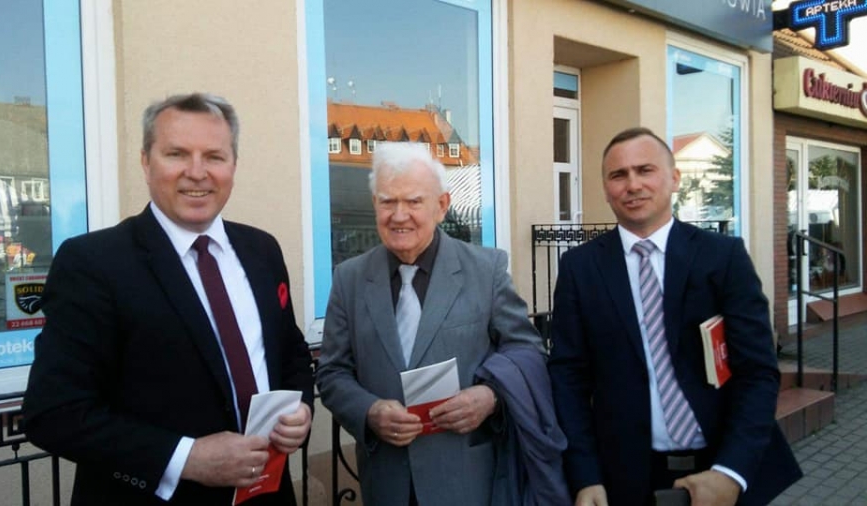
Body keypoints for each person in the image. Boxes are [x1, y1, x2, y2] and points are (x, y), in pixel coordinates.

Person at [24, 93, 314, 506]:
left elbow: (291, 354)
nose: (197, 172)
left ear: (233, 165)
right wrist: (185, 459)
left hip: (266, 494)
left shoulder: (262, 250)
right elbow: (53, 412)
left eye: (214, 156)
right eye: (177, 154)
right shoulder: (93, 262)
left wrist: (301, 410)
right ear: (146, 162)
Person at [548, 127, 802, 506]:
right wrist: (585, 475)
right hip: (624, 478)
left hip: (719, 470)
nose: (632, 185)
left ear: (674, 178)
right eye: (618, 175)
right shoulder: (580, 268)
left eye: (645, 170)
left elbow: (758, 372)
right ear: (605, 189)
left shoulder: (723, 257)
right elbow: (568, 378)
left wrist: (731, 472)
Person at [316, 142, 549, 506]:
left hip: (467, 480)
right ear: (375, 204)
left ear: (442, 205)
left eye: (413, 201)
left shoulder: (485, 271)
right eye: (387, 201)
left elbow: (527, 351)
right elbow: (332, 373)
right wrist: (369, 412)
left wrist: (490, 397)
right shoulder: (350, 278)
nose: (399, 215)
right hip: (387, 482)